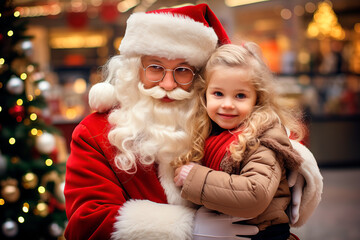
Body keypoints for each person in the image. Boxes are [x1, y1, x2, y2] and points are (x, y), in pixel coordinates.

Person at [64, 4, 323, 240]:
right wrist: (187, 227)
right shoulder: (95, 132)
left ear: (201, 77)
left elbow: (262, 136)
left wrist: (293, 162)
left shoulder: (220, 118)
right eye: (155, 68)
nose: (167, 85)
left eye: (182, 71)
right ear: (135, 69)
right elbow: (86, 221)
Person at [173, 43, 310, 240]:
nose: (227, 104)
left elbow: (256, 195)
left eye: (240, 95)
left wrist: (194, 177)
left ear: (257, 98)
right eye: (218, 93)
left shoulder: (264, 136)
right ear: (204, 94)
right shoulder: (209, 132)